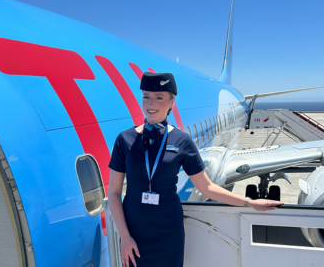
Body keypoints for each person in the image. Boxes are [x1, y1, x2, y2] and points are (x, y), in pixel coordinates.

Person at [108, 72, 283, 267]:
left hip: (168, 231)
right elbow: (114, 192)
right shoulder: (125, 140)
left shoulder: (182, 141)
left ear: (171, 103)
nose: (151, 104)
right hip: (133, 231)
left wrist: (249, 202)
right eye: (146, 97)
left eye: (159, 98)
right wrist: (124, 236)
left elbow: (207, 187)